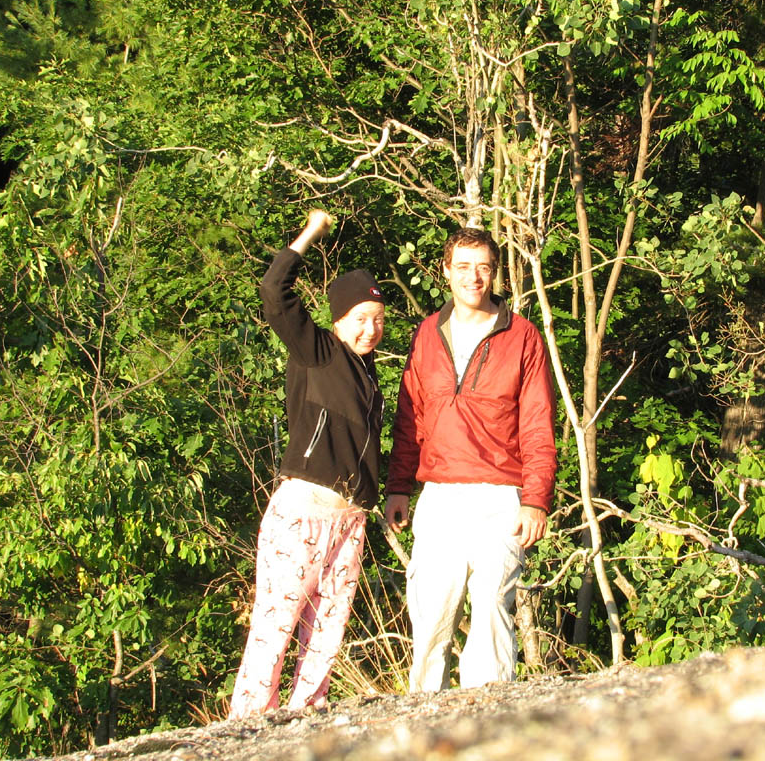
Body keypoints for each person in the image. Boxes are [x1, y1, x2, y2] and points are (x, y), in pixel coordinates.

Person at [384, 227, 557, 692]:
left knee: (491, 613)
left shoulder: (522, 337)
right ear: (445, 271)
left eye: (482, 267)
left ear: (494, 272)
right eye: (462, 266)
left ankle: (491, 731)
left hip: (501, 498)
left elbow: (538, 422)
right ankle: (421, 729)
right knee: (431, 619)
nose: (473, 277)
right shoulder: (427, 334)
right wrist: (398, 487)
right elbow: (410, 418)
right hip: (439, 497)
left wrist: (536, 498)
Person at [229, 210, 386, 719]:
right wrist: (311, 233)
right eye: (359, 319)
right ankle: (249, 723)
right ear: (338, 321)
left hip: (350, 518)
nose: (370, 329)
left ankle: (305, 716)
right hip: (303, 511)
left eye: (378, 320)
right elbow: (275, 293)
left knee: (328, 626)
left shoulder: (369, 377)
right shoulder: (317, 351)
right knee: (276, 622)